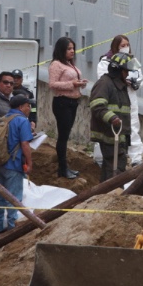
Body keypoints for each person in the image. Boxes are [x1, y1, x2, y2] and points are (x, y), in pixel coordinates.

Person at [95, 35, 143, 166]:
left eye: (127, 44)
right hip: (114, 99)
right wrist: (121, 80)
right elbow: (104, 78)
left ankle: (136, 157)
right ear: (115, 46)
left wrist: (135, 83)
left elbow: (139, 76)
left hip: (130, 98)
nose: (125, 47)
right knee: (109, 130)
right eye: (122, 45)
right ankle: (102, 158)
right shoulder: (106, 61)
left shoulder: (132, 61)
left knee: (133, 126)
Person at [0, 92, 34, 234]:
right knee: (14, 200)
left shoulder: (3, 118)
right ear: (21, 107)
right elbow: (25, 144)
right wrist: (29, 162)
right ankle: (12, 231)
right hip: (13, 165)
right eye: (28, 106)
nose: (30, 108)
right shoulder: (22, 121)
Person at [48, 36, 89, 179]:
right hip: (62, 102)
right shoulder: (56, 64)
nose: (72, 51)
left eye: (73, 48)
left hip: (73, 102)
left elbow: (72, 81)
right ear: (62, 50)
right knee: (63, 137)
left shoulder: (70, 64)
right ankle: (62, 168)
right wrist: (72, 84)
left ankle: (65, 167)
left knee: (66, 135)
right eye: (69, 49)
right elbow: (52, 84)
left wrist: (80, 83)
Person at [89, 52, 133, 181]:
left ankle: (105, 194)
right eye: (126, 71)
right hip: (110, 136)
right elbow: (97, 105)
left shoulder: (119, 85)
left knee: (112, 167)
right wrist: (112, 118)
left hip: (119, 135)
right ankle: (113, 194)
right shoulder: (105, 84)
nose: (128, 74)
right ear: (118, 70)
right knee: (115, 168)